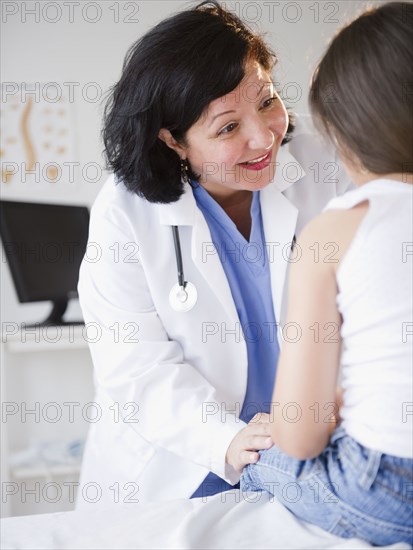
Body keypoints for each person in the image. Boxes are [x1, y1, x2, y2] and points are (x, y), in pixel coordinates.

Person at [76, 0, 352, 507]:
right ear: (173, 140)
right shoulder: (125, 214)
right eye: (227, 128)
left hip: (303, 450)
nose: (262, 136)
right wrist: (225, 438)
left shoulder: (325, 163)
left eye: (267, 101)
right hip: (180, 465)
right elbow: (137, 370)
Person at [240, 2, 413, 546]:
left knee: (257, 462)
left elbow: (301, 437)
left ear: (341, 134)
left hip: (385, 487)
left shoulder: (334, 231)